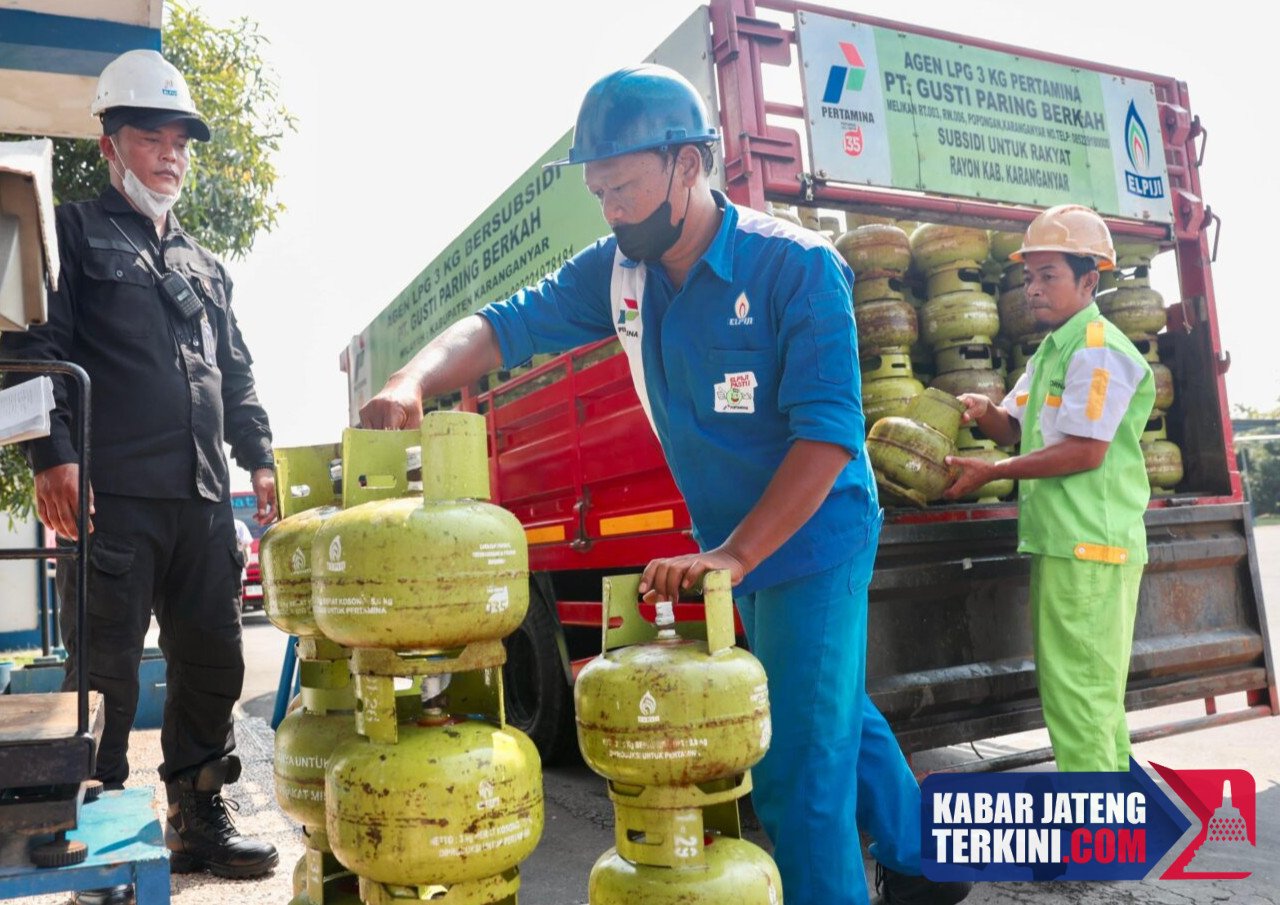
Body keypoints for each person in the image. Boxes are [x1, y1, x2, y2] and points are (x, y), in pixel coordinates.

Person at [361, 65, 969, 905]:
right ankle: (933, 861)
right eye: (599, 190)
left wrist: (735, 554)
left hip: (813, 535)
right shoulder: (619, 275)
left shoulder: (796, 269)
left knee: (796, 765)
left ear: (689, 166)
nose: (611, 208)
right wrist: (410, 378)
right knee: (825, 706)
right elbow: (503, 323)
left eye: (625, 187)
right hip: (734, 544)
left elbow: (827, 439)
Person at [0, 49, 279, 888]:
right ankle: (92, 824)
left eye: (181, 140)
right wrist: (52, 456)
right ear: (109, 142)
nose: (171, 154)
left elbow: (235, 370)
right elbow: (29, 345)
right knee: (105, 673)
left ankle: (197, 816)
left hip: (198, 501)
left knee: (212, 662)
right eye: (151, 136)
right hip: (108, 499)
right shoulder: (72, 234)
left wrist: (258, 458)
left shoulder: (206, 263)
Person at [944, 204, 1155, 772]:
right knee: (1093, 702)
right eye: (1029, 277)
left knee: (1079, 702)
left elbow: (1086, 449)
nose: (1032, 290)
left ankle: (1094, 849)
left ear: (1090, 279)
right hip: (1068, 545)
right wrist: (985, 409)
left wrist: (991, 473)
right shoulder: (1054, 351)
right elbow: (1012, 426)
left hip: (1090, 547)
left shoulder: (1097, 349)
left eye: (1049, 276)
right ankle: (1109, 837)